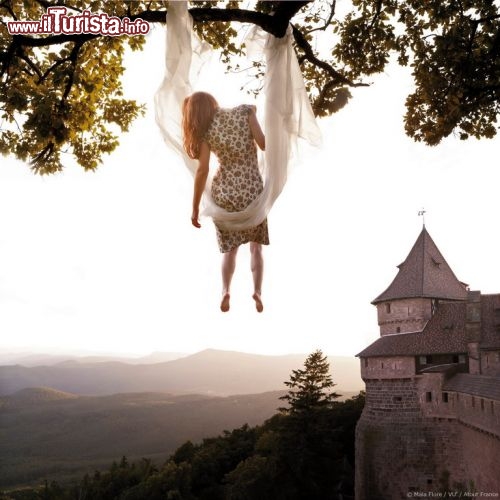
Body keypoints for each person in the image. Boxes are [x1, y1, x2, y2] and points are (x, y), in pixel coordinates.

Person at [182, 91, 268, 313]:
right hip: (251, 190)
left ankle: (225, 290)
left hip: (225, 193)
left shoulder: (206, 132)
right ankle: (257, 291)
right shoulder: (245, 111)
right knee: (256, 248)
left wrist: (195, 207)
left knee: (230, 250)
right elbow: (263, 143)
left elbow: (202, 170)